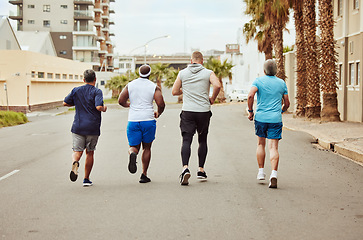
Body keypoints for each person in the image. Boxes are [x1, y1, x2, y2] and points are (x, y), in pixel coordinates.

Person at [172, 51, 221, 186]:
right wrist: (212, 98)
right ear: (202, 61)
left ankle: (185, 168)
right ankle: (201, 169)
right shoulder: (208, 72)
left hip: (188, 111)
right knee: (202, 139)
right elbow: (217, 85)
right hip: (203, 111)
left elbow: (174, 91)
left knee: (186, 140)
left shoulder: (183, 73)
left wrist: (186, 89)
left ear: (191, 60)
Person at [118, 64, 165, 183]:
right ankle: (144, 174)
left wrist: (129, 105)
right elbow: (161, 103)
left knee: (133, 146)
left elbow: (120, 100)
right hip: (148, 120)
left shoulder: (130, 85)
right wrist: (158, 113)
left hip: (133, 120)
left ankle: (132, 153)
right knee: (147, 147)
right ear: (149, 74)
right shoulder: (154, 87)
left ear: (139, 73)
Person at [247, 59, 290, 188]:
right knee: (273, 148)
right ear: (276, 70)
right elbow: (287, 103)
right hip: (275, 119)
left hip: (260, 118)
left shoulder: (258, 81)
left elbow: (250, 95)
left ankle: (261, 172)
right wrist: (282, 110)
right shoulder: (282, 83)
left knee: (261, 143)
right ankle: (274, 174)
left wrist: (250, 111)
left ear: (264, 70)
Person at [63, 69, 107, 187]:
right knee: (90, 152)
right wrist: (104, 108)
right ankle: (86, 179)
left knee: (77, 151)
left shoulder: (76, 90)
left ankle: (75, 162)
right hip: (92, 127)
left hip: (78, 126)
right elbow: (98, 107)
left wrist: (76, 103)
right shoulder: (97, 91)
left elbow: (65, 103)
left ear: (83, 79)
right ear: (95, 79)